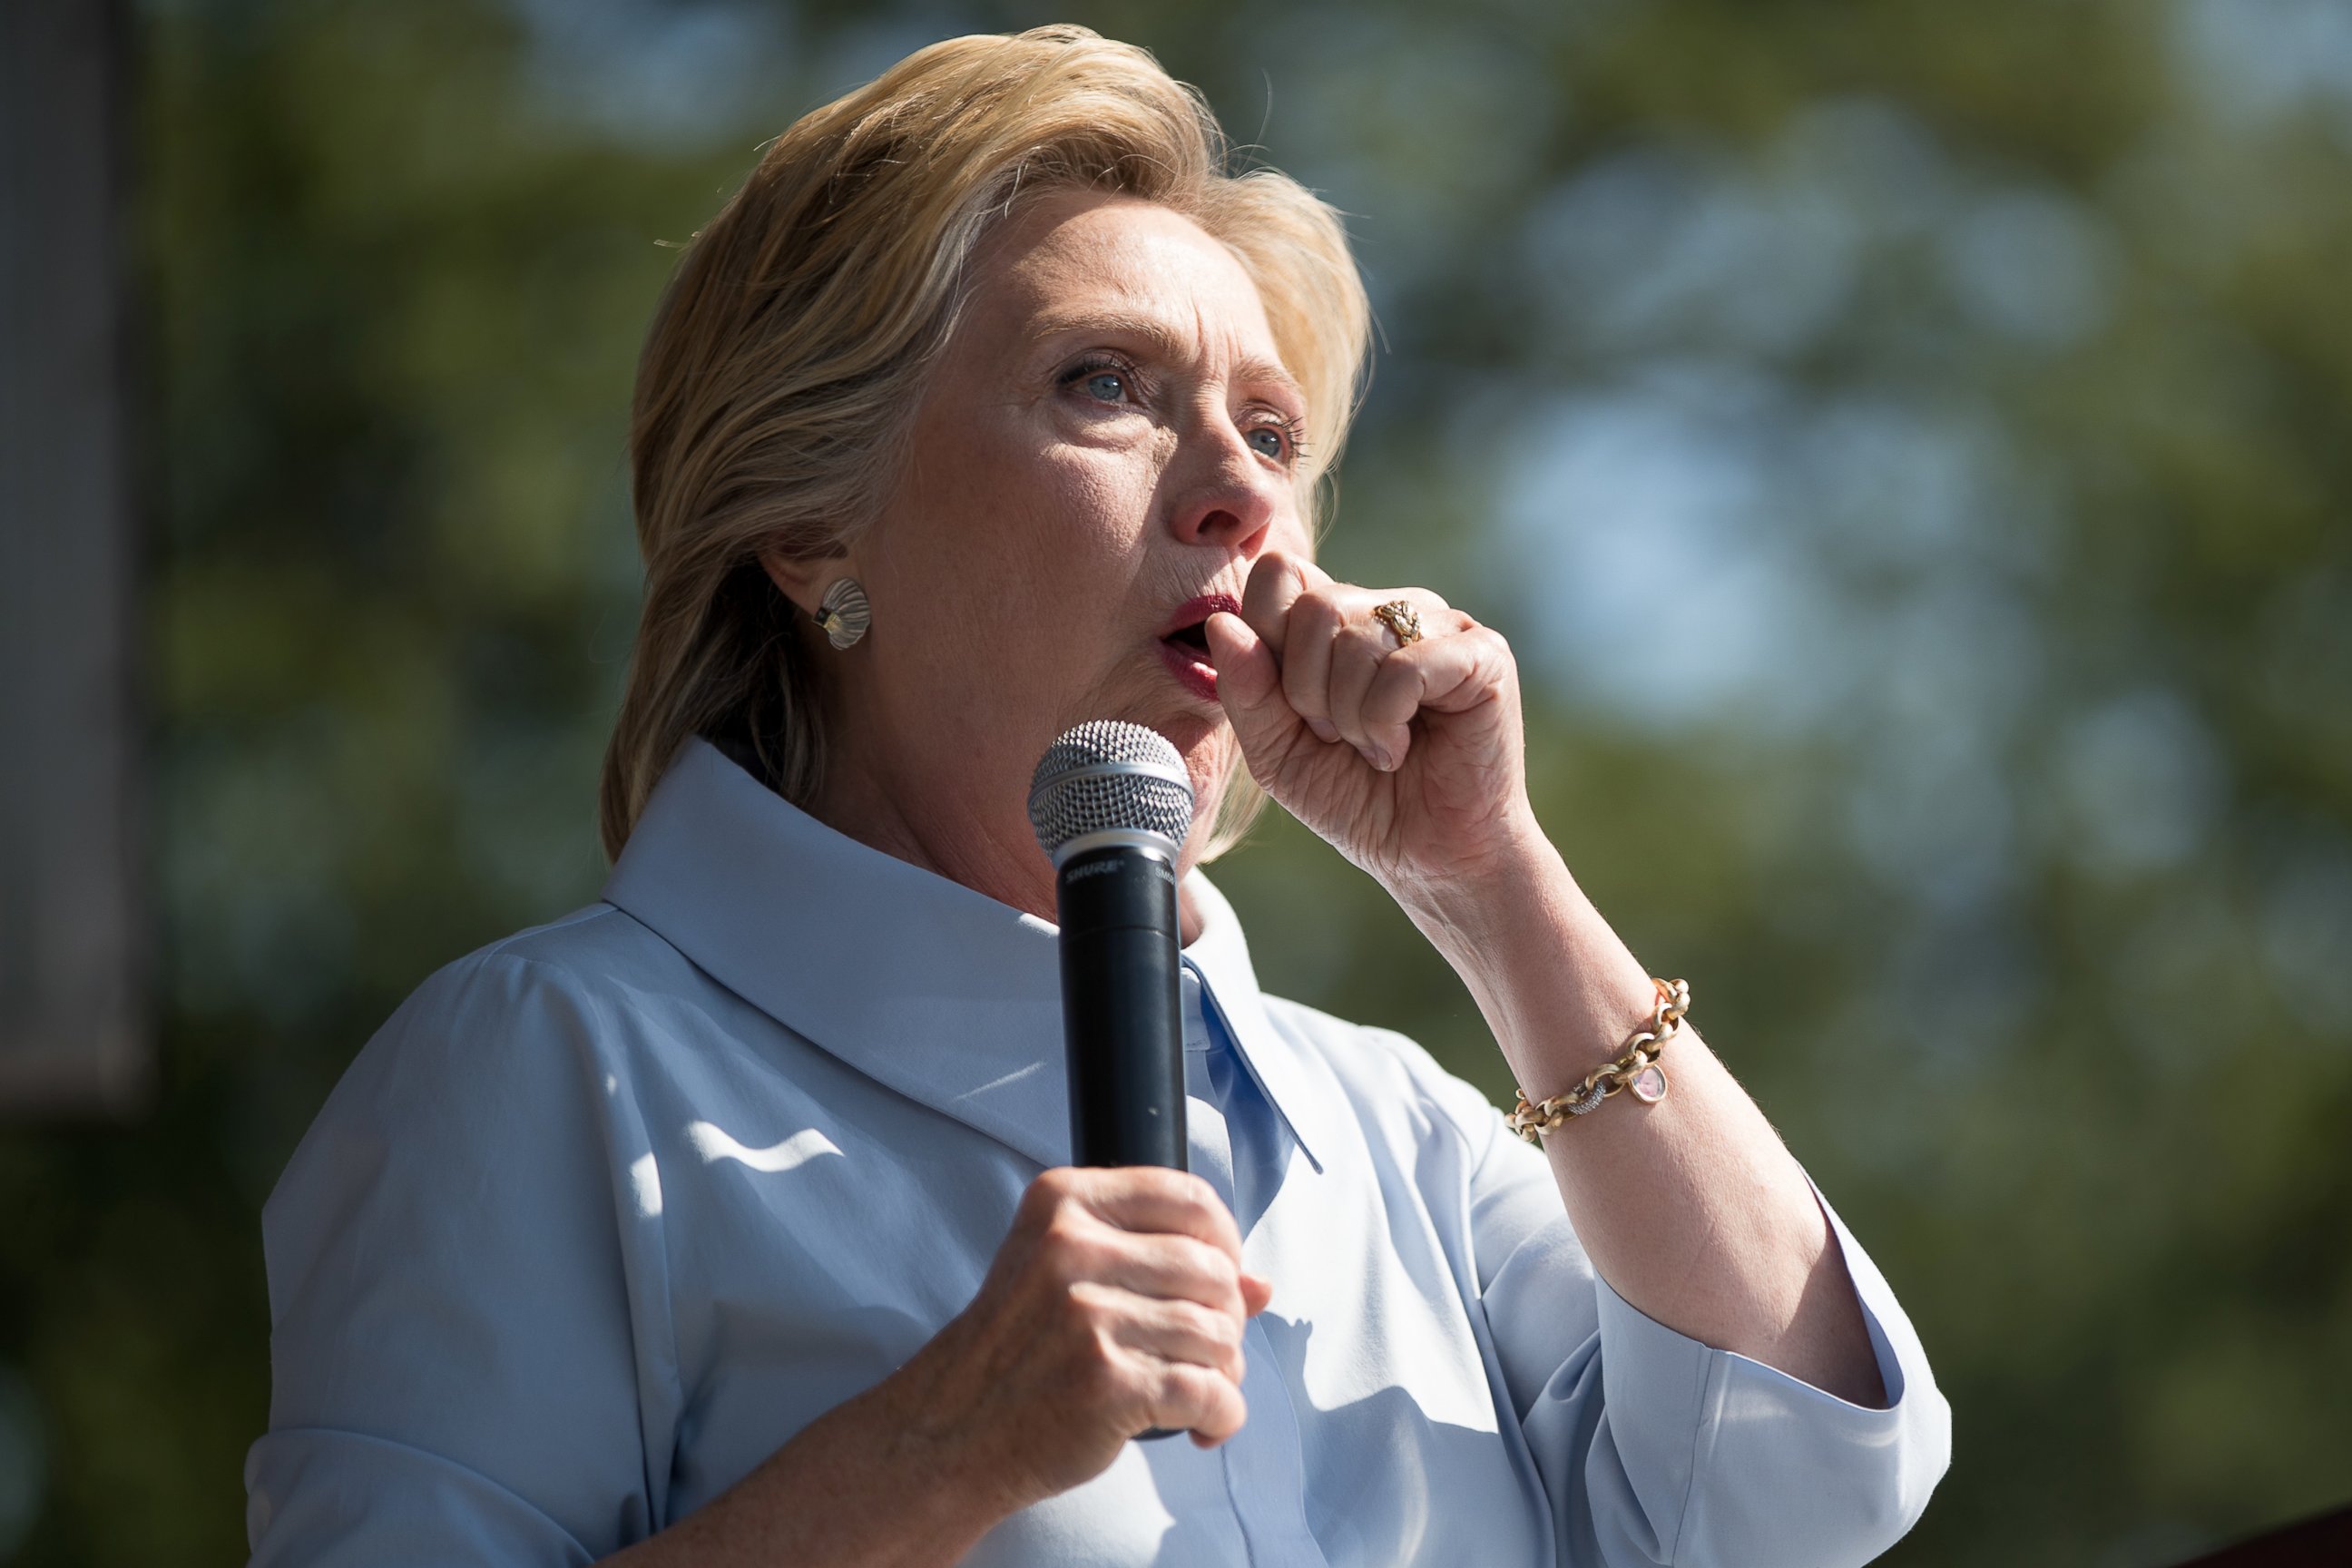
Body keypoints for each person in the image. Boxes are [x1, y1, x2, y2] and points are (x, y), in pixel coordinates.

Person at [245, 24, 1950, 1568]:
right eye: (1106, 386)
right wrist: (938, 1449)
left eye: (1274, 436)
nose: (1233, 497)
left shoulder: (1394, 1130)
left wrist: (1487, 877)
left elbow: (1807, 1493)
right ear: (813, 523)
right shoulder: (553, 1066)